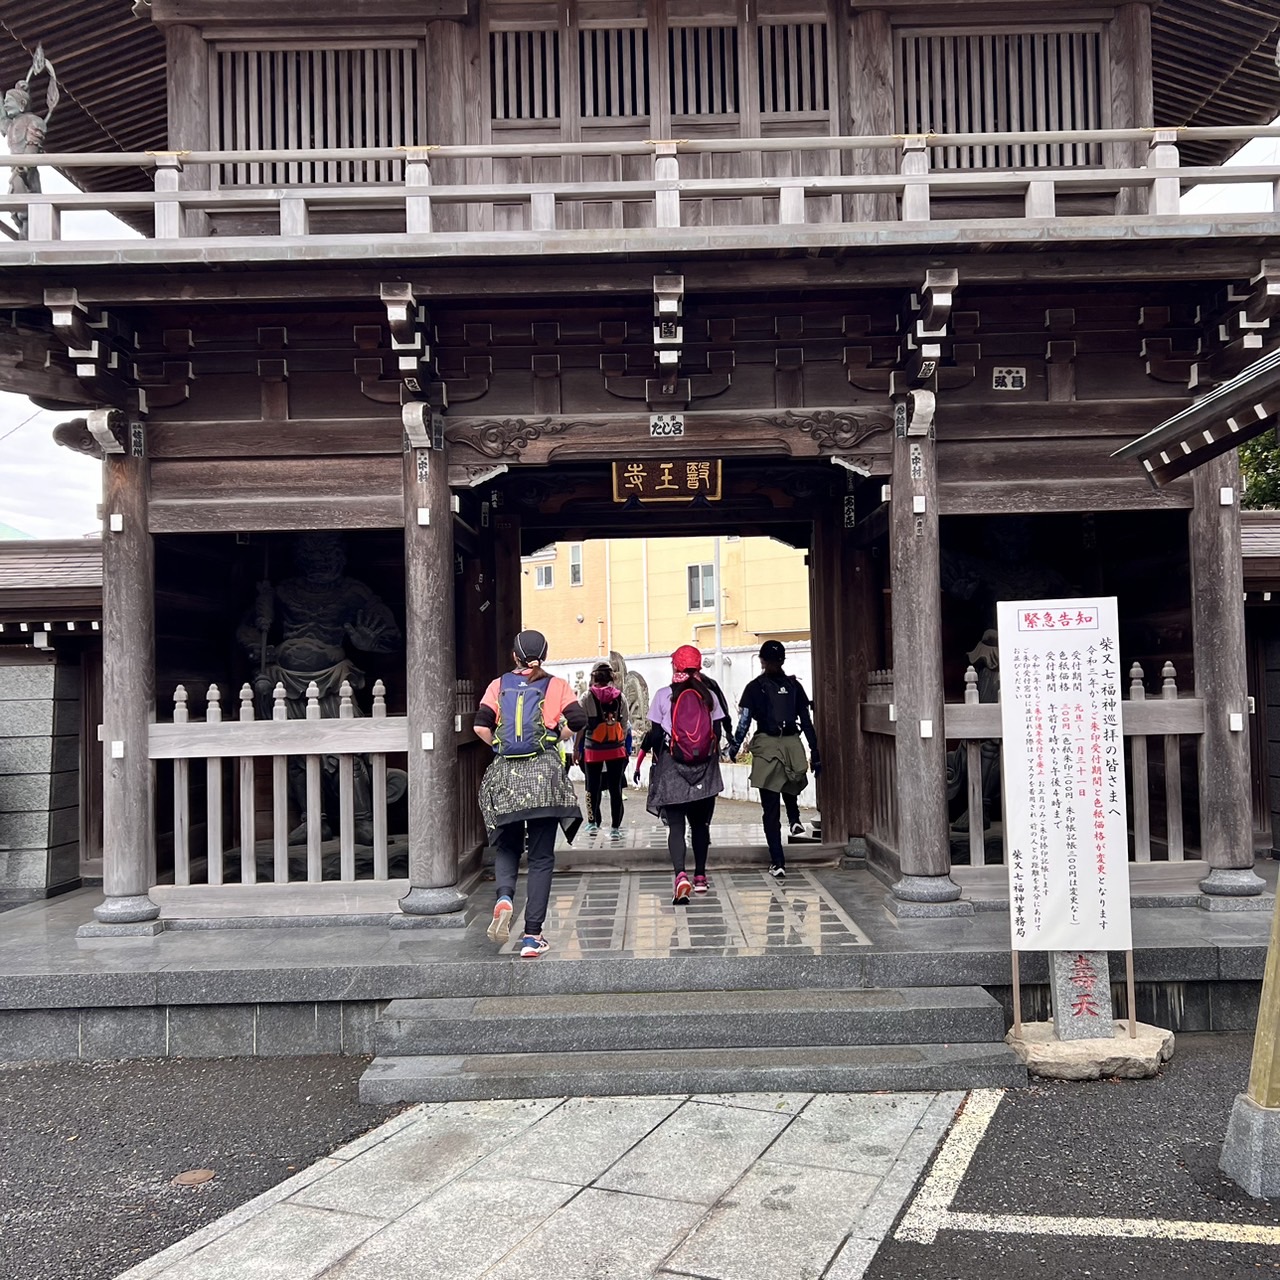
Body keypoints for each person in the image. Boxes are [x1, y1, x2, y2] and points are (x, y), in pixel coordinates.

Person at [474, 630, 585, 959]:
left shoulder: (498, 685)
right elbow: (579, 718)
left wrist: (499, 746)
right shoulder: (556, 685)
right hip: (544, 780)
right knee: (540, 859)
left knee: (507, 846)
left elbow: (480, 725)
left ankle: (504, 897)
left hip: (507, 779)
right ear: (544, 655)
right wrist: (557, 736)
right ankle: (532, 937)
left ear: (514, 656)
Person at [729, 640, 821, 881]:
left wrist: (734, 747)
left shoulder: (754, 688)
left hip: (767, 746)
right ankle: (794, 818)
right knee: (789, 781)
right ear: (782, 661)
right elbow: (806, 721)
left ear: (762, 661)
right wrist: (815, 751)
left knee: (770, 808)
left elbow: (744, 722)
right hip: (792, 743)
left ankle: (778, 862)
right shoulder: (794, 686)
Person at [646, 644, 726, 904]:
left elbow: (655, 735)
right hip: (704, 769)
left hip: (672, 767)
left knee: (677, 826)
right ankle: (700, 876)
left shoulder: (663, 695)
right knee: (700, 825)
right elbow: (717, 732)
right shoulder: (709, 696)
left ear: (676, 666)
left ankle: (680, 875)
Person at [576, 660, 630, 838]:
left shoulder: (586, 697)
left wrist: (577, 748)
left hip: (593, 749)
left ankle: (593, 823)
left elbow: (580, 725)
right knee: (616, 789)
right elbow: (625, 723)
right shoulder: (620, 697)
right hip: (616, 749)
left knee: (591, 787)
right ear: (611, 677)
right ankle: (615, 827)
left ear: (593, 677)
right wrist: (621, 741)